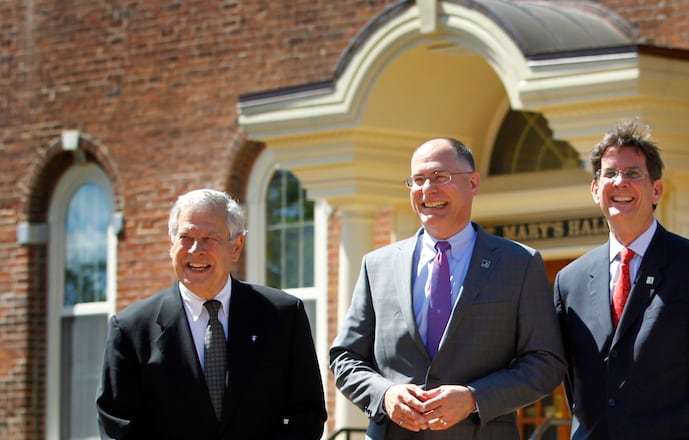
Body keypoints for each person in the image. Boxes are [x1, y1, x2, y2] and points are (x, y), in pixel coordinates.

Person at [330, 137, 566, 439]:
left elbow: (546, 362)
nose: (428, 189)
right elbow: (345, 357)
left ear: (473, 183)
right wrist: (385, 395)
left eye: (441, 177)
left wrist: (473, 398)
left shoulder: (519, 263)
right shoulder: (377, 265)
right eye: (418, 180)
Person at [554, 120, 689, 439]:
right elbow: (573, 384)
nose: (620, 182)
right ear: (595, 190)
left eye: (633, 173)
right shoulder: (569, 281)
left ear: (656, 190)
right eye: (610, 173)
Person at [96, 189, 327, 439]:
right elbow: (118, 426)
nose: (196, 249)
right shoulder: (131, 330)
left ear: (236, 246)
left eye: (210, 238)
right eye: (185, 237)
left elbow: (307, 415)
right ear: (171, 244)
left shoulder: (283, 316)